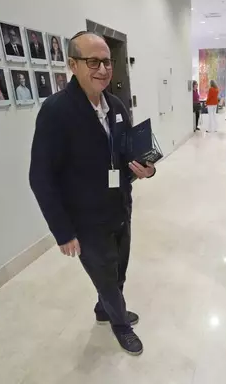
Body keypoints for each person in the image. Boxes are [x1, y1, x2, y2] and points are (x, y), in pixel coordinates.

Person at [29, 32, 156, 356]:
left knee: (119, 270)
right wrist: (63, 232)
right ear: (73, 64)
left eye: (107, 62)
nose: (102, 69)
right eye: (93, 61)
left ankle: (105, 309)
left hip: (119, 208)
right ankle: (119, 324)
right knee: (106, 277)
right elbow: (41, 177)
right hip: (85, 220)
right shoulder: (56, 111)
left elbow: (125, 155)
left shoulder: (115, 105)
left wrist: (145, 168)